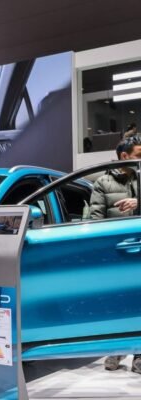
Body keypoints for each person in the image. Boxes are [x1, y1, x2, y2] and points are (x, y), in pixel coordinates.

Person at [89, 136, 141, 372]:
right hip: (116, 254)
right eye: (139, 155)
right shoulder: (103, 182)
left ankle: (138, 354)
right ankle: (117, 349)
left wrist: (138, 202)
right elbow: (95, 220)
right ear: (124, 156)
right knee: (118, 304)